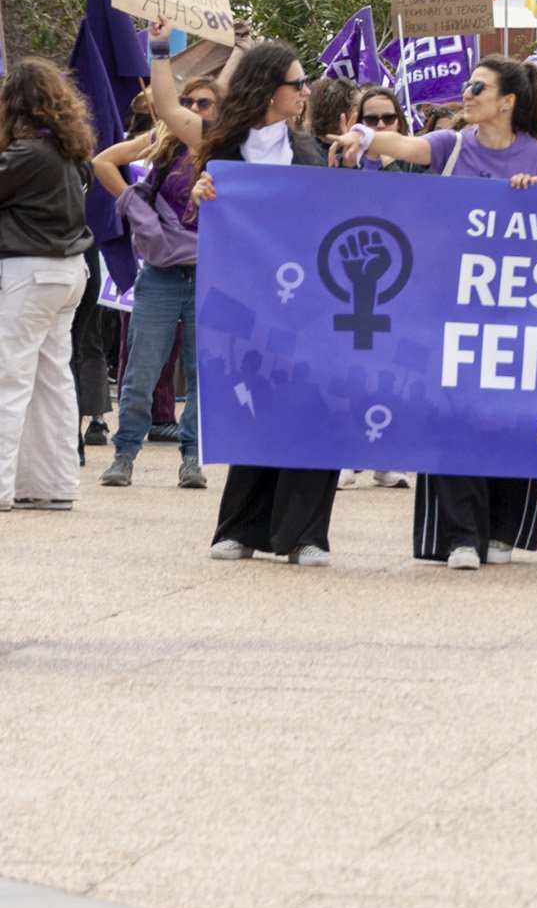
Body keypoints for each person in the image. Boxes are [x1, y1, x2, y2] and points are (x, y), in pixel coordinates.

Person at [342, 56, 537, 571]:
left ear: (507, 101)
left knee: (507, 420)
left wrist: (533, 202)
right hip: (450, 309)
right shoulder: (451, 145)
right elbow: (403, 145)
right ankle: (461, 536)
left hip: (514, 315)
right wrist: (364, 136)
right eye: (467, 85)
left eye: (477, 87)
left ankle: (503, 530)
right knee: (452, 417)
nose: (466, 93)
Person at [191, 42, 340, 564]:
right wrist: (205, 194)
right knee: (255, 404)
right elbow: (212, 218)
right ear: (266, 89)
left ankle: (307, 536)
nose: (305, 92)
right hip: (248, 304)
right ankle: (240, 528)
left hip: (311, 307)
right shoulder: (223, 152)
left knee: (314, 406)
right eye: (297, 83)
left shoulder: (312, 153)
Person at [91, 73, 219, 491]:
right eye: (188, 102)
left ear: (219, 109)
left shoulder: (227, 149)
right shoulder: (162, 138)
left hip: (210, 277)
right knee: (142, 372)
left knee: (204, 374)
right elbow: (102, 161)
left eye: (204, 103)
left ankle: (192, 459)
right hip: (162, 276)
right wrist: (138, 213)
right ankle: (124, 454)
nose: (195, 109)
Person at [0, 59, 97, 515]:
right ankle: (53, 485)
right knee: (52, 382)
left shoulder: (26, 155)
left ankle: (4, 486)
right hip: (68, 273)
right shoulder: (70, 152)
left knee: (8, 379)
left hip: (30, 272)